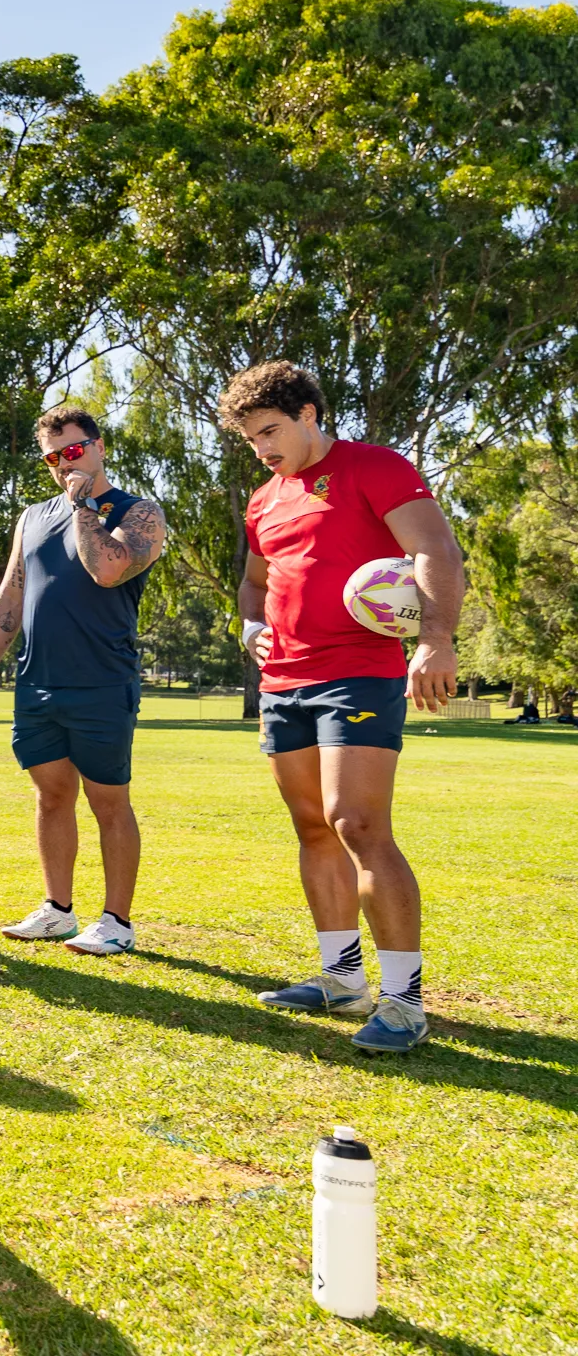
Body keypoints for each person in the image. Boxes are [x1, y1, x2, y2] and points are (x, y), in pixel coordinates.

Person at [225, 361, 463, 1054]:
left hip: (359, 674)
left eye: (271, 431)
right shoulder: (264, 500)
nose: (263, 448)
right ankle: (339, 980)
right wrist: (250, 627)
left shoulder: (376, 468)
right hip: (284, 681)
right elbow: (253, 581)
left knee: (357, 823)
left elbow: (435, 548)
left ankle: (404, 1003)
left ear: (308, 414)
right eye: (250, 439)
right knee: (313, 828)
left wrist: (435, 640)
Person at [0, 405, 167, 957]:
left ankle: (117, 921)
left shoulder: (139, 511)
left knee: (109, 801)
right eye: (53, 457)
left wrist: (82, 504)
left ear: (100, 447)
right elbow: (10, 593)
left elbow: (106, 568)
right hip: (37, 682)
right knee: (51, 795)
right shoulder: (31, 516)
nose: (63, 464)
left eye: (74, 451)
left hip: (102, 681)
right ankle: (57, 910)